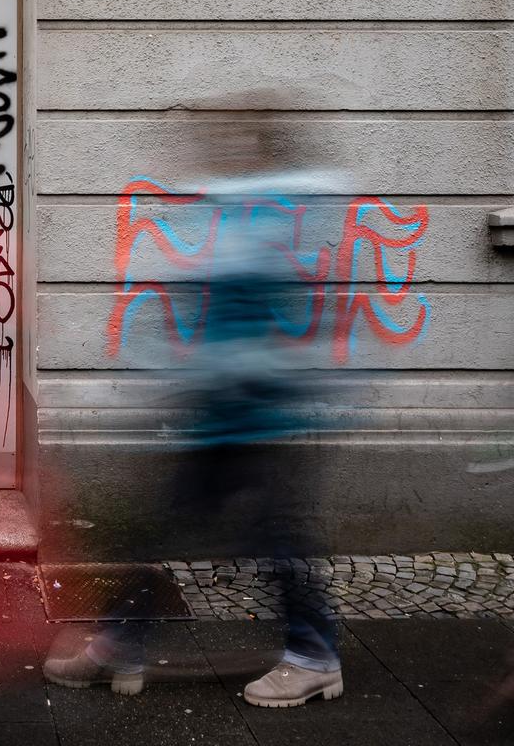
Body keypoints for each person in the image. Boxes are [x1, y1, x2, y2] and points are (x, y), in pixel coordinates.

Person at [44, 112, 344, 708]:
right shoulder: (242, 213)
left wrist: (199, 370)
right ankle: (119, 642)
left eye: (231, 143)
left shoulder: (274, 217)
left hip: (257, 413)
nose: (212, 152)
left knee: (277, 538)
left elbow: (261, 317)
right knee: (164, 524)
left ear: (260, 154)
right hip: (221, 412)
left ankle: (313, 657)